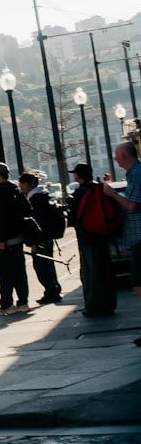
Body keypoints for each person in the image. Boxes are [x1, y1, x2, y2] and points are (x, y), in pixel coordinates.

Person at [70, 162, 118, 318]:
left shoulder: (80, 192)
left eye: (75, 173)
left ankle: (94, 306)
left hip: (87, 236)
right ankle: (108, 304)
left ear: (79, 176)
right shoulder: (99, 188)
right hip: (102, 235)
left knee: (91, 272)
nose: (74, 175)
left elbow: (74, 217)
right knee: (105, 270)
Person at [0, 162, 31, 313]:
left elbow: (0, 219)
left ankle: (7, 304)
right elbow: (27, 209)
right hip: (18, 237)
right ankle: (23, 302)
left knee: (4, 274)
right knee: (19, 272)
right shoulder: (15, 189)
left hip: (5, 240)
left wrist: (0, 240)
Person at [108, 139, 141, 345]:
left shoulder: (137, 173)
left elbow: (131, 206)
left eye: (117, 155)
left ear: (124, 156)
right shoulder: (134, 173)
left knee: (138, 284)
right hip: (137, 237)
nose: (115, 158)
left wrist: (112, 194)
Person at [19, 171, 66, 305]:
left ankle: (51, 292)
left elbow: (36, 223)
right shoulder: (43, 195)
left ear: (29, 184)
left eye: (22, 183)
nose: (20, 186)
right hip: (48, 238)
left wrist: (34, 242)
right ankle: (54, 290)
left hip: (41, 240)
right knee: (48, 266)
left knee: (42, 267)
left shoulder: (35, 200)